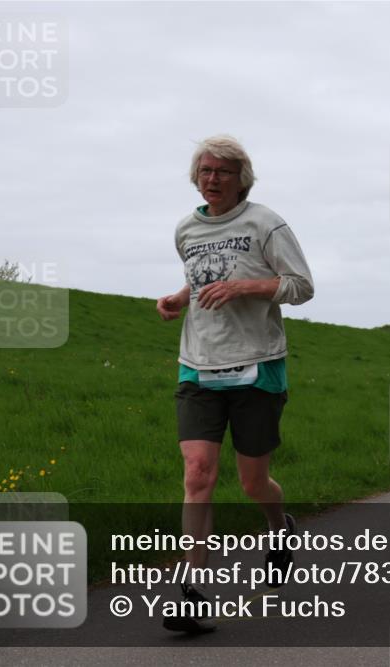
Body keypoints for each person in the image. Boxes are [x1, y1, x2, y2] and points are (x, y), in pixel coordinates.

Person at [156, 135, 314, 631]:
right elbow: (205, 276)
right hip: (198, 364)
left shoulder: (266, 223)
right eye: (205, 170)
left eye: (223, 171)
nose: (213, 178)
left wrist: (247, 287)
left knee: (252, 483)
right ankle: (193, 591)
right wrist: (182, 297)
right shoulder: (186, 229)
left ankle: (279, 527)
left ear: (241, 177)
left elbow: (302, 286)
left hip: (257, 364)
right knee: (197, 473)